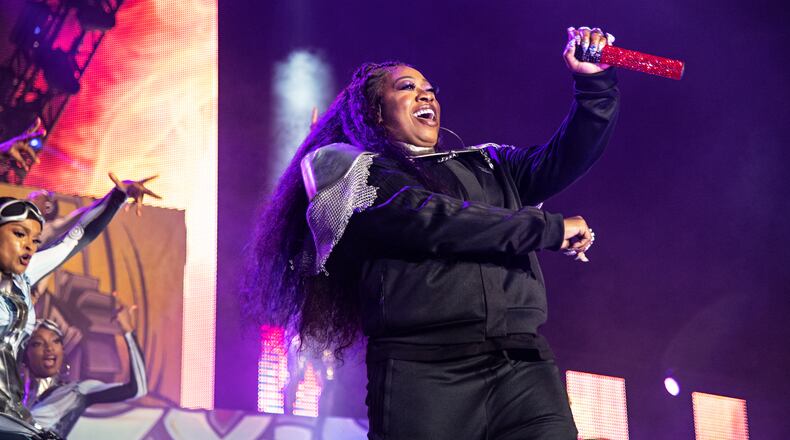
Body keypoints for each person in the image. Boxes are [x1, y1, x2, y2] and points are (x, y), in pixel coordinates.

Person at [243, 26, 619, 439]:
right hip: (423, 377)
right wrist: (545, 228)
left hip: (523, 371)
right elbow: (429, 219)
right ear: (374, 113)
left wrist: (594, 85)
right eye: (407, 88)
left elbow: (563, 158)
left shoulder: (488, 163)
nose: (427, 95)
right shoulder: (354, 169)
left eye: (430, 89)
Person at [0, 166, 156, 437]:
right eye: (19, 234)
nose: (29, 246)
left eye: (35, 239)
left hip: (11, 417)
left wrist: (118, 197)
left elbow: (75, 238)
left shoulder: (26, 275)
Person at [21, 302, 147, 438]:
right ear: (25, 353)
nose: (49, 348)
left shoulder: (77, 391)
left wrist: (128, 331)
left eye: (55, 341)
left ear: (63, 351)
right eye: (38, 343)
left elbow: (137, 389)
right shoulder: (15, 393)